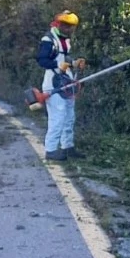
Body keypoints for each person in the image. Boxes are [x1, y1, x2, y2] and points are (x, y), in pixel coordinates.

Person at [36, 11, 85, 161]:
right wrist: (59, 65)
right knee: (57, 117)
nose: (68, 29)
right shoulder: (48, 39)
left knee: (69, 116)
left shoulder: (66, 40)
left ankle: (67, 147)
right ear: (58, 24)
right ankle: (51, 150)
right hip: (53, 82)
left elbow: (66, 59)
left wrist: (75, 63)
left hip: (68, 81)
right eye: (66, 26)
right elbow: (42, 60)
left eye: (71, 27)